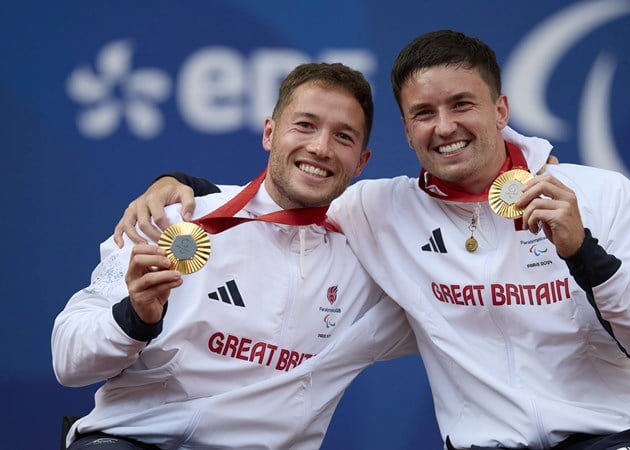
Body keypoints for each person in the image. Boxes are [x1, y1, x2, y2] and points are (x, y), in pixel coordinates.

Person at [116, 30, 630, 450]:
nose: (444, 126)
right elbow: (286, 190)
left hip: (616, 436)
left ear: (500, 109)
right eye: (423, 113)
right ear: (406, 131)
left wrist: (585, 253)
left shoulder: (601, 195)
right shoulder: (381, 207)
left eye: (462, 104)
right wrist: (179, 187)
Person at [52, 62, 417, 450]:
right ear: (270, 133)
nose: (320, 147)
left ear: (361, 162)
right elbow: (68, 362)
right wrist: (134, 318)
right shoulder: (172, 218)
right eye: (305, 125)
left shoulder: (366, 262)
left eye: (343, 137)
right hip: (136, 440)